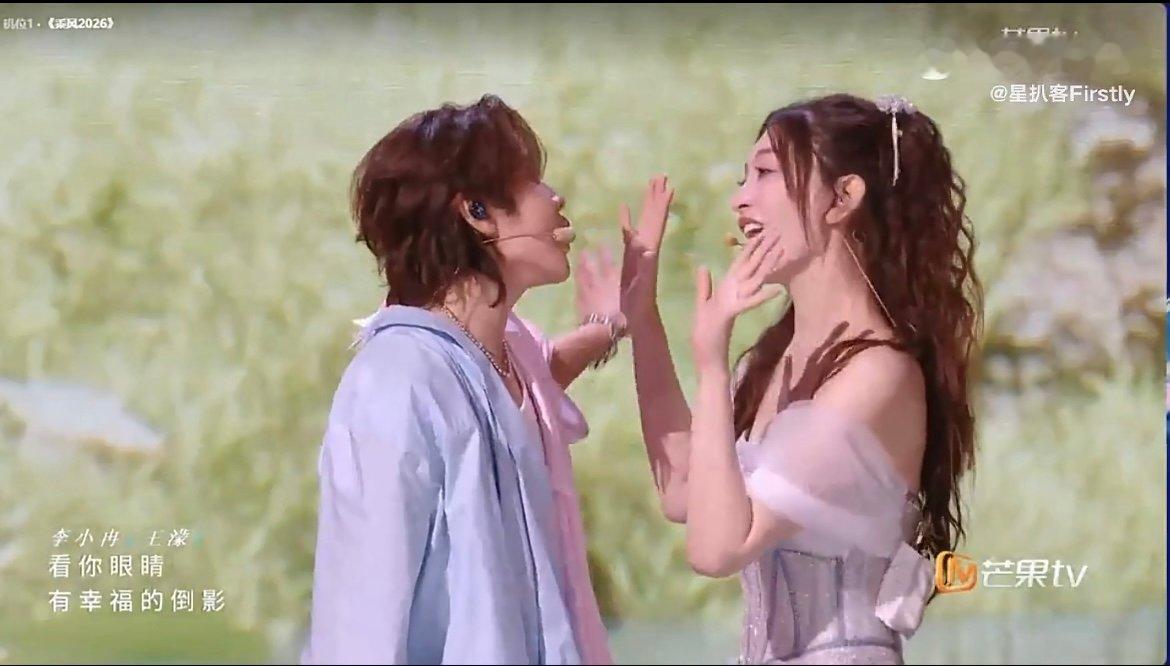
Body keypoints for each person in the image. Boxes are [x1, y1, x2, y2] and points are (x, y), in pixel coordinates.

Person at [620, 93, 983, 664]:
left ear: (843, 197)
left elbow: (718, 550)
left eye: (764, 173)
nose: (741, 199)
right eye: (743, 178)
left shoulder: (877, 374)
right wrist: (642, 320)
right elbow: (685, 492)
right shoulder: (771, 361)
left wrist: (711, 364)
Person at [301, 94, 621, 665]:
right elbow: (361, 618)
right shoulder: (396, 379)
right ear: (475, 211)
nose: (555, 198)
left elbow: (537, 379)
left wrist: (608, 327)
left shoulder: (505, 353)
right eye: (531, 181)